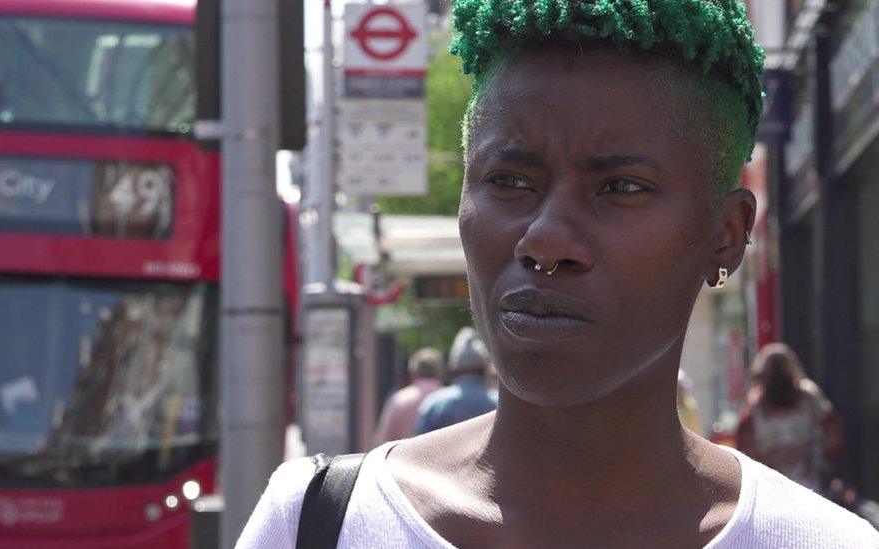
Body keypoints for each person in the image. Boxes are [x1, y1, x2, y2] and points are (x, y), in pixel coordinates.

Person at [238, 1, 879, 547]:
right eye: (508, 181)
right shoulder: (319, 521)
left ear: (727, 233)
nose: (545, 239)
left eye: (619, 187)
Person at [735, 343, 843, 492]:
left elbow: (832, 434)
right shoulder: (755, 406)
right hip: (772, 487)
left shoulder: (809, 396)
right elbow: (746, 452)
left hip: (809, 482)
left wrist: (818, 460)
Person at [413, 327, 497, 435]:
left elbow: (419, 446)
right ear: (484, 370)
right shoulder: (498, 404)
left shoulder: (435, 405)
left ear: (454, 371)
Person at [372, 347, 445, 446]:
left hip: (402, 459)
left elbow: (382, 440)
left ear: (413, 373)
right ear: (440, 373)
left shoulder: (398, 399)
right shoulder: (446, 400)